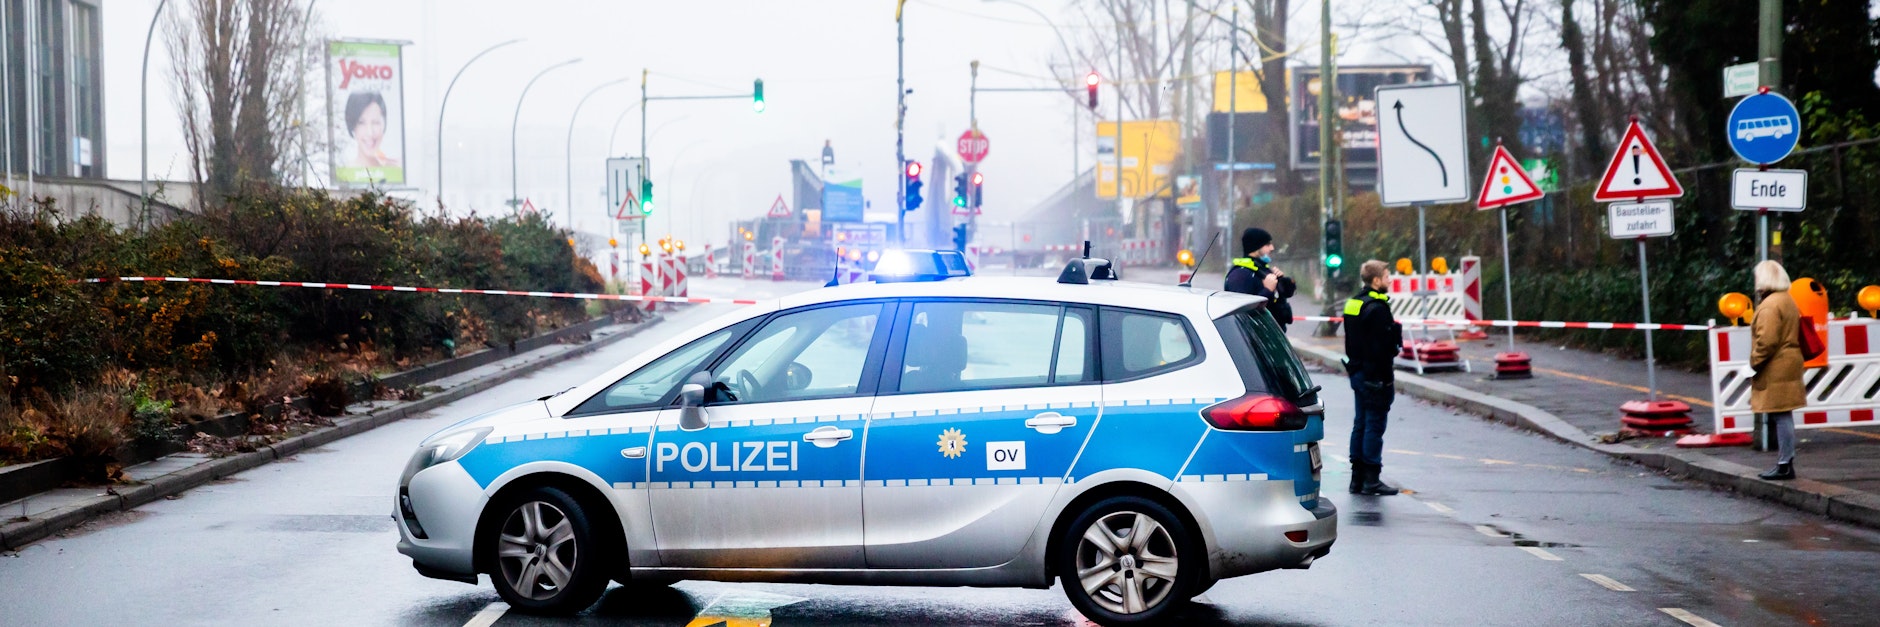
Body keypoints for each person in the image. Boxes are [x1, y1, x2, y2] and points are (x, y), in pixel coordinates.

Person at [1344, 260, 1403, 496]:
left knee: (1360, 423)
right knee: (1374, 426)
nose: (1390, 279)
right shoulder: (1378, 308)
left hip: (1357, 371)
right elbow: (1383, 347)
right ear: (1376, 280)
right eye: (1387, 276)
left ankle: (1356, 479)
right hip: (1375, 375)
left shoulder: (1354, 303)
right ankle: (1371, 478)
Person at [1750, 260, 1805, 481]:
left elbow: (1767, 341)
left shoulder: (1770, 305)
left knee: (1780, 415)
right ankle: (1785, 462)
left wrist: (1753, 363)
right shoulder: (1787, 300)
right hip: (1790, 360)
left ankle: (1784, 464)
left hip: (1776, 365)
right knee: (1785, 413)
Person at [1225, 228, 1297, 330]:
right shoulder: (1240, 274)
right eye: (1267, 244)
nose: (1272, 248)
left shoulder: (1263, 270)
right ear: (1256, 247)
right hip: (1253, 340)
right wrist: (1267, 290)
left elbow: (1282, 299)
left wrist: (1283, 282)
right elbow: (1243, 312)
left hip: (1272, 336)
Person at [344, 91, 400, 169]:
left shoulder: (395, 170)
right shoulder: (343, 174)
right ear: (352, 126)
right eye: (361, 123)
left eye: (376, 122)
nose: (370, 133)